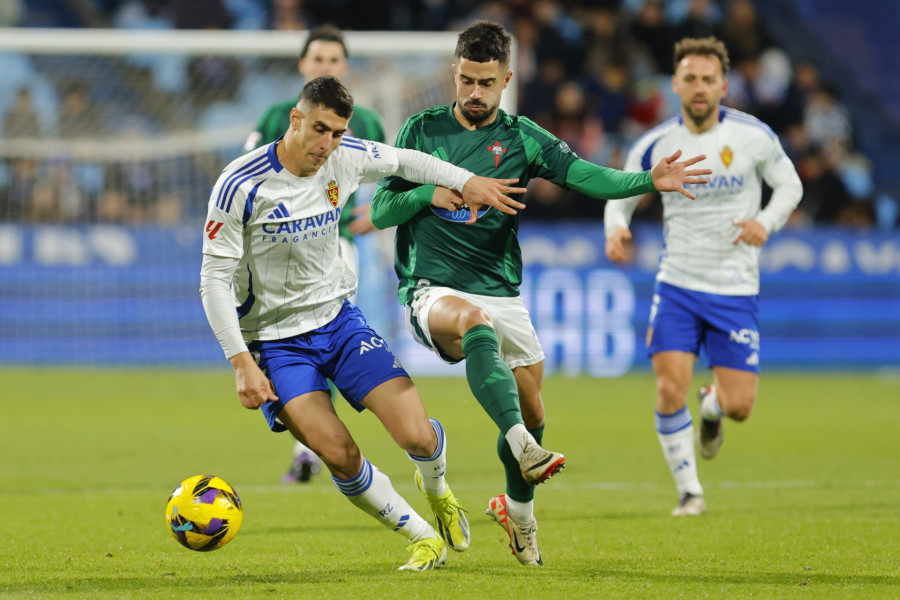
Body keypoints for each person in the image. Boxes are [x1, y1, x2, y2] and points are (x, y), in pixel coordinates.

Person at [370, 21, 710, 566]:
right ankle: (524, 448)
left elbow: (587, 176)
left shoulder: (522, 138)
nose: (474, 93)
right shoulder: (421, 131)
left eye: (485, 82)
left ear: (506, 79)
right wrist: (434, 192)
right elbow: (382, 210)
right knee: (474, 326)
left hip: (500, 289)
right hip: (430, 288)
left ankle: (519, 515)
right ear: (453, 74)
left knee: (532, 406)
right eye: (465, 81)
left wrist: (649, 180)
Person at [199, 76, 528, 570]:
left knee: (417, 436)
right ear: (295, 119)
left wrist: (463, 181)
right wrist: (241, 362)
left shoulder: (344, 155)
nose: (327, 145)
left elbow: (406, 161)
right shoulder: (240, 184)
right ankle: (422, 537)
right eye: (320, 130)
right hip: (275, 343)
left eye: (337, 133)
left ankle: (437, 490)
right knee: (338, 453)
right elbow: (213, 279)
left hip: (339, 322)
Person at [604, 37, 803, 516]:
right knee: (669, 388)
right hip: (677, 284)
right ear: (674, 84)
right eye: (689, 78)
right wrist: (617, 228)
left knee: (740, 407)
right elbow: (620, 195)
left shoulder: (753, 136)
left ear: (723, 85)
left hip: (735, 289)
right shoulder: (655, 144)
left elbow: (790, 185)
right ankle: (690, 491)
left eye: (707, 79)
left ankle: (712, 405)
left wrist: (765, 223)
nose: (698, 87)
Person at [243, 24, 387, 484]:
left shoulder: (365, 121)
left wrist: (379, 214)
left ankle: (312, 446)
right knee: (293, 336)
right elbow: (247, 176)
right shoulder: (274, 118)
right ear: (303, 66)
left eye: (334, 61)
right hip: (277, 249)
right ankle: (311, 440)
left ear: (345, 68)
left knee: (322, 334)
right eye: (318, 60)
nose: (325, 67)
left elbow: (392, 180)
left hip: (339, 243)